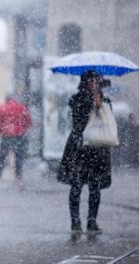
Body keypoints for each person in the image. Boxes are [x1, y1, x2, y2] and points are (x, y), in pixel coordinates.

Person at [57, 70, 112, 239]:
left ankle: (91, 221)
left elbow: (108, 121)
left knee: (95, 188)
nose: (93, 83)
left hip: (96, 147)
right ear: (84, 82)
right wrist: (91, 103)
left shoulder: (104, 100)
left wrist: (100, 103)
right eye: (90, 81)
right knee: (77, 185)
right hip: (80, 148)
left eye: (96, 81)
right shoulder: (77, 99)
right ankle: (75, 222)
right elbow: (78, 121)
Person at [0, 93, 32, 180]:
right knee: (18, 155)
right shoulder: (22, 108)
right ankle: (18, 174)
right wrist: (23, 129)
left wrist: (1, 131)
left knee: (2, 155)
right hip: (19, 134)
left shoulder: (2, 108)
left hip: (6, 134)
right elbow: (28, 120)